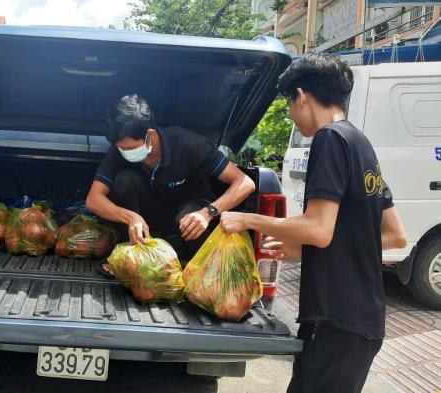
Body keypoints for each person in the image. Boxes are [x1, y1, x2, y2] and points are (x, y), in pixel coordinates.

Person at [220, 54, 408, 393]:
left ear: (302, 95)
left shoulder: (330, 139)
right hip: (362, 322)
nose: (292, 115)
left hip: (335, 320)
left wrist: (245, 218)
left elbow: (319, 230)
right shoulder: (361, 145)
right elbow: (394, 235)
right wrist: (307, 249)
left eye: (290, 105)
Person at [85, 94, 256, 261]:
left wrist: (208, 213)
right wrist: (130, 217)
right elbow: (93, 200)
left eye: (130, 148)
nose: (125, 152)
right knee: (124, 180)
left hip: (191, 211)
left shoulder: (189, 144)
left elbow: (245, 182)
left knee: (190, 224)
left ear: (150, 135)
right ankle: (131, 255)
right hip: (151, 216)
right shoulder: (120, 150)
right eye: (120, 148)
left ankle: (186, 262)